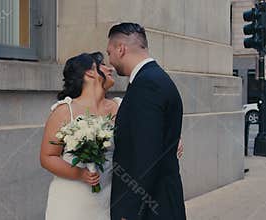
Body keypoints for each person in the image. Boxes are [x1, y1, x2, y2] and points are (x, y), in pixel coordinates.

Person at [40, 51, 184, 219]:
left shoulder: (120, 106)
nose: (110, 69)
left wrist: (172, 139)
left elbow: (149, 129)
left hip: (109, 197)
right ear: (89, 72)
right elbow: (47, 157)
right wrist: (80, 174)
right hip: (72, 198)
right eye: (103, 65)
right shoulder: (64, 111)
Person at [108, 23, 187, 220]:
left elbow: (146, 157)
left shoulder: (147, 85)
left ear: (121, 49)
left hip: (151, 208)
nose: (109, 61)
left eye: (109, 53)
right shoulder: (155, 78)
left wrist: (130, 211)